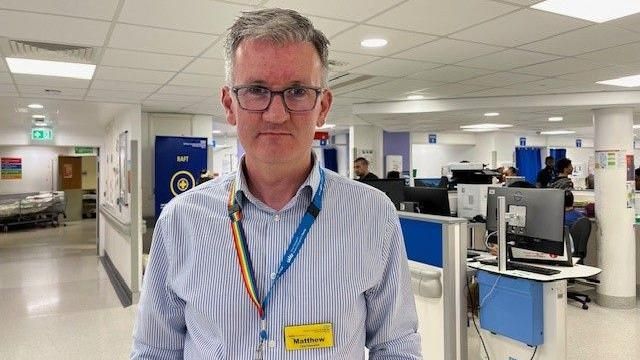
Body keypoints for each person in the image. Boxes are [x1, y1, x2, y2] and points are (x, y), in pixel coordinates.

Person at [131, 8, 421, 359]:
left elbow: (396, 347)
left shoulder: (372, 214)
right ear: (229, 105)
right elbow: (155, 351)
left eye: (297, 91)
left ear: (323, 106)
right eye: (256, 90)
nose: (276, 113)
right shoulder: (181, 220)